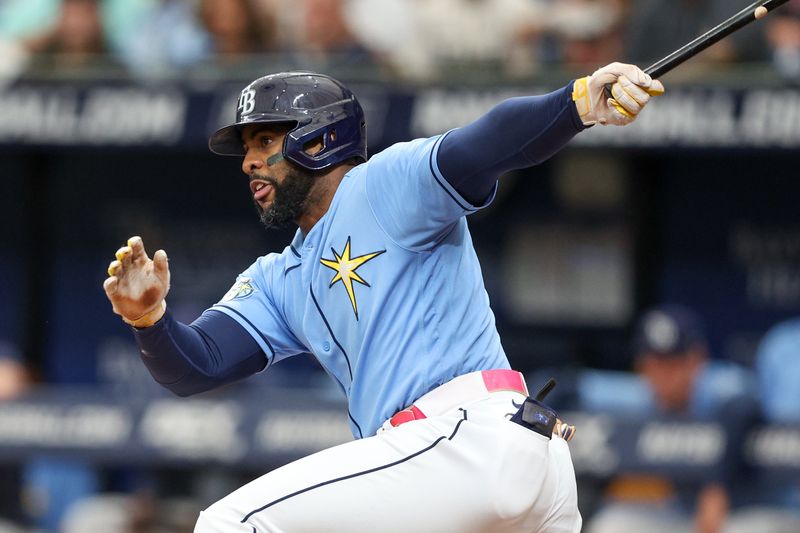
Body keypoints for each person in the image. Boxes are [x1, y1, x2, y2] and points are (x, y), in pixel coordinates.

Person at [103, 64, 664, 531]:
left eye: (265, 142)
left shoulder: (380, 185)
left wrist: (576, 103)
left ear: (320, 139)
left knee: (231, 525)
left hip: (463, 438)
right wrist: (149, 319)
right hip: (503, 465)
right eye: (249, 148)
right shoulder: (278, 278)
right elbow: (197, 365)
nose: (249, 162)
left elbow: (484, 145)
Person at [583, 304, 762, 533]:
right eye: (654, 365)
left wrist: (716, 488)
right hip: (680, 512)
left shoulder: (718, 385)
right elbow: (571, 385)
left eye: (673, 365)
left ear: (697, 360)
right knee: (613, 524)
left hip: (740, 511)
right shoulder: (641, 394)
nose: (663, 377)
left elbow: (746, 403)